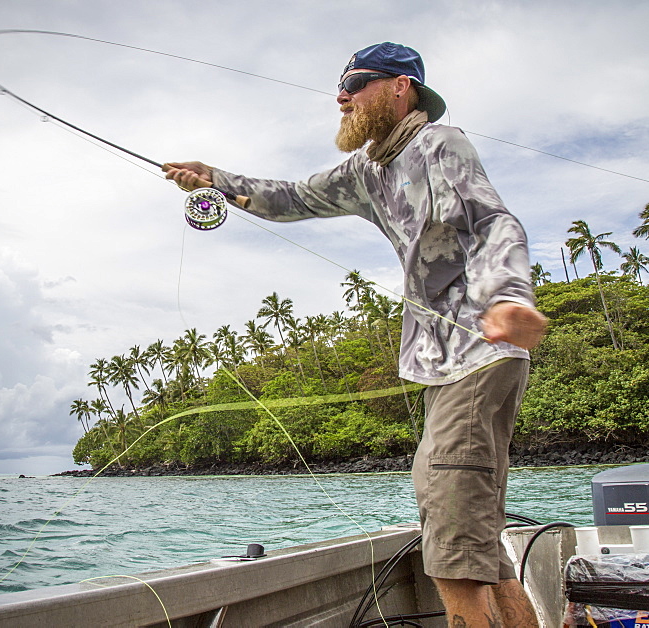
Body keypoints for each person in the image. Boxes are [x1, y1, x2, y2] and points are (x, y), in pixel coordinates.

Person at [164, 42, 547, 627]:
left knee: (448, 537)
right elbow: (291, 197)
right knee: (472, 535)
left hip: (480, 348)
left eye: (357, 83)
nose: (341, 96)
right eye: (340, 86)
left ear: (401, 87)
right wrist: (214, 178)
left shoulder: (439, 144)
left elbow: (491, 218)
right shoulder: (367, 170)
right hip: (442, 365)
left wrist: (508, 295)